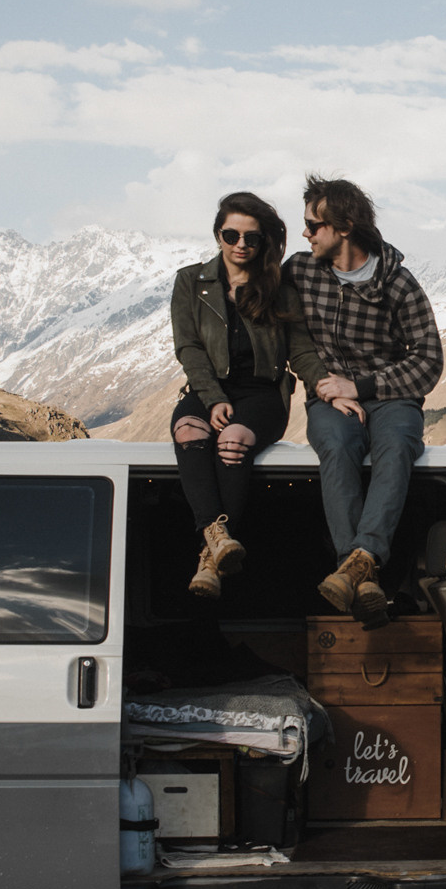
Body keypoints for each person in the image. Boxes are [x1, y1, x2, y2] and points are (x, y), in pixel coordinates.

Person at [286, 176, 444, 627]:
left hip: (389, 395)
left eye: (314, 226)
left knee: (396, 447)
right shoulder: (300, 271)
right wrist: (325, 387)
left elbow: (429, 361)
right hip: (328, 397)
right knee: (336, 447)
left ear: (345, 226)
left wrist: (362, 387)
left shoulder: (398, 283)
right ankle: (365, 573)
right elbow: (277, 325)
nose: (307, 234)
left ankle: (356, 563)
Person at [169, 191, 333, 599]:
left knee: (232, 438)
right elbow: (188, 347)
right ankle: (215, 537)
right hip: (210, 388)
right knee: (189, 430)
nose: (240, 244)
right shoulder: (191, 281)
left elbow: (300, 351)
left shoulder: (278, 287)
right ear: (218, 235)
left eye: (251, 237)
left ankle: (209, 560)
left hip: (262, 394)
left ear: (263, 242)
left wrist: (326, 387)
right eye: (231, 234)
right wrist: (210, 397)